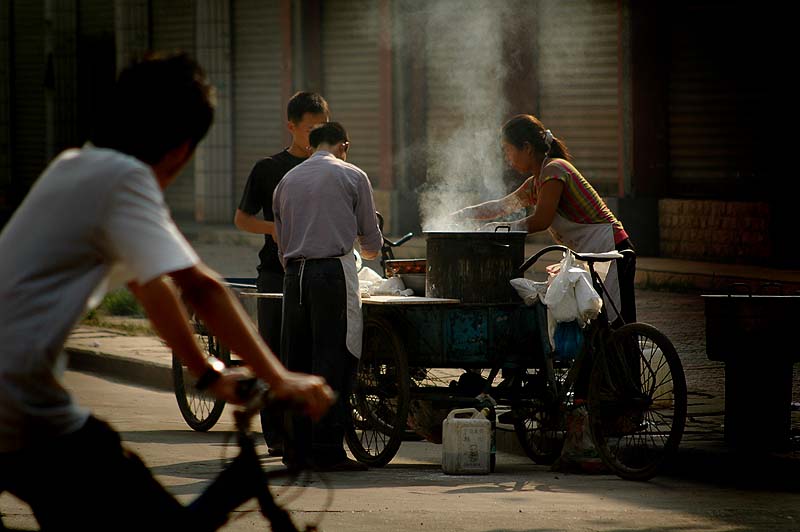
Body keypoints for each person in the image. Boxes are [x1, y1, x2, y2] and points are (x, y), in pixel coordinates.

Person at [0, 53, 333, 531]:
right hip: (19, 402)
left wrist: (208, 373)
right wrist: (280, 378)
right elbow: (201, 287)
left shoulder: (75, 165)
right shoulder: (125, 178)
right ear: (181, 150)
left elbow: (153, 287)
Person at [452, 114, 636, 325]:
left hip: (612, 249)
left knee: (617, 324)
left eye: (508, 149)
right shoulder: (536, 182)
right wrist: (462, 214)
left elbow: (541, 221)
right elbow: (502, 206)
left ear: (527, 148)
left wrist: (501, 229)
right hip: (590, 253)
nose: (507, 157)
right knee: (592, 321)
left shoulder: (554, 171)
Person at [273, 121, 383, 472]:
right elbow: (371, 241)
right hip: (331, 274)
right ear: (343, 145)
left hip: (293, 276)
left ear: (311, 146)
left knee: (297, 360)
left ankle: (296, 450)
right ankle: (327, 450)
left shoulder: (287, 181)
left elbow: (282, 240)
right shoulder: (352, 175)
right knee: (333, 358)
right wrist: (367, 252)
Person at [234, 91, 330, 456]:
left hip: (319, 276)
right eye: (310, 129)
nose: (317, 136)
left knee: (311, 355)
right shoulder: (269, 168)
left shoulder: (333, 167)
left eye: (323, 128)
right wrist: (273, 229)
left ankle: (310, 433)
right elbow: (242, 220)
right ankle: (275, 435)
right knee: (274, 354)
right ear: (291, 127)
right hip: (276, 274)